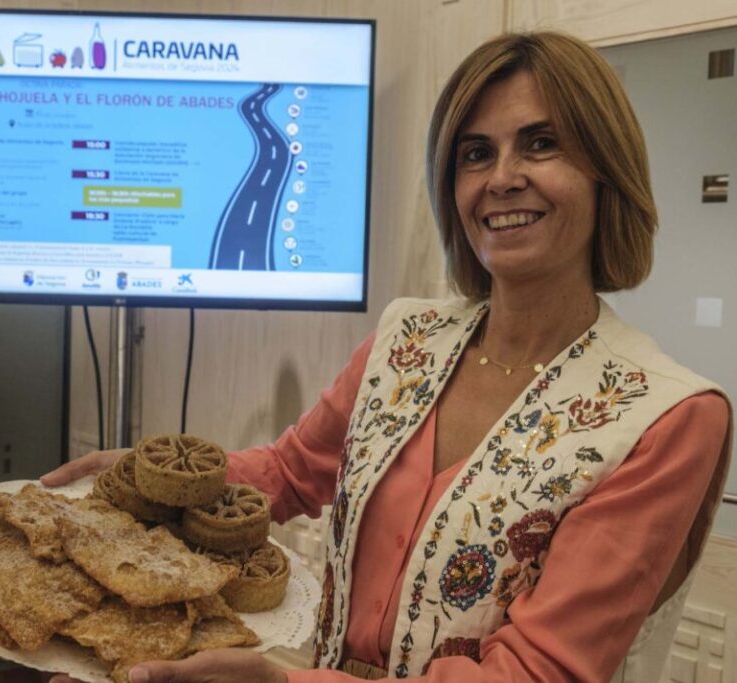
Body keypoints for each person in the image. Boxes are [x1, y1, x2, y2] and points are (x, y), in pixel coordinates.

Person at [42, 31, 732, 683]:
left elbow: (530, 673)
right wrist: (156, 479)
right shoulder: (408, 337)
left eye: (542, 143)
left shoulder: (664, 416)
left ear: (607, 170)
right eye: (474, 153)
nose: (502, 177)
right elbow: (287, 472)